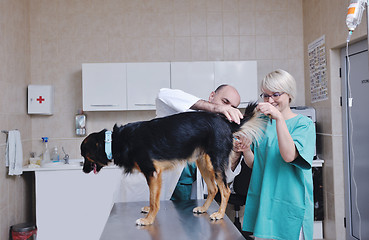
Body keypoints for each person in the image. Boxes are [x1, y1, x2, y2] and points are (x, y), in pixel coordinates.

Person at [239, 69, 316, 240]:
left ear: (289, 94)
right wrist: (245, 149)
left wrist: (279, 118)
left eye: (275, 94)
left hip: (290, 202)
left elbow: (289, 156)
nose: (270, 100)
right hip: (265, 201)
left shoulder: (304, 124)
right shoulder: (263, 124)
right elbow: (255, 164)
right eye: (265, 96)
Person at [155, 85, 244, 200]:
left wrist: (236, 154)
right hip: (157, 193)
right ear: (212, 96)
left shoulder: (220, 135)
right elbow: (162, 94)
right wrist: (216, 108)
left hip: (188, 203)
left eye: (232, 107)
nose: (227, 110)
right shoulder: (181, 112)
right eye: (225, 102)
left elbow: (221, 179)